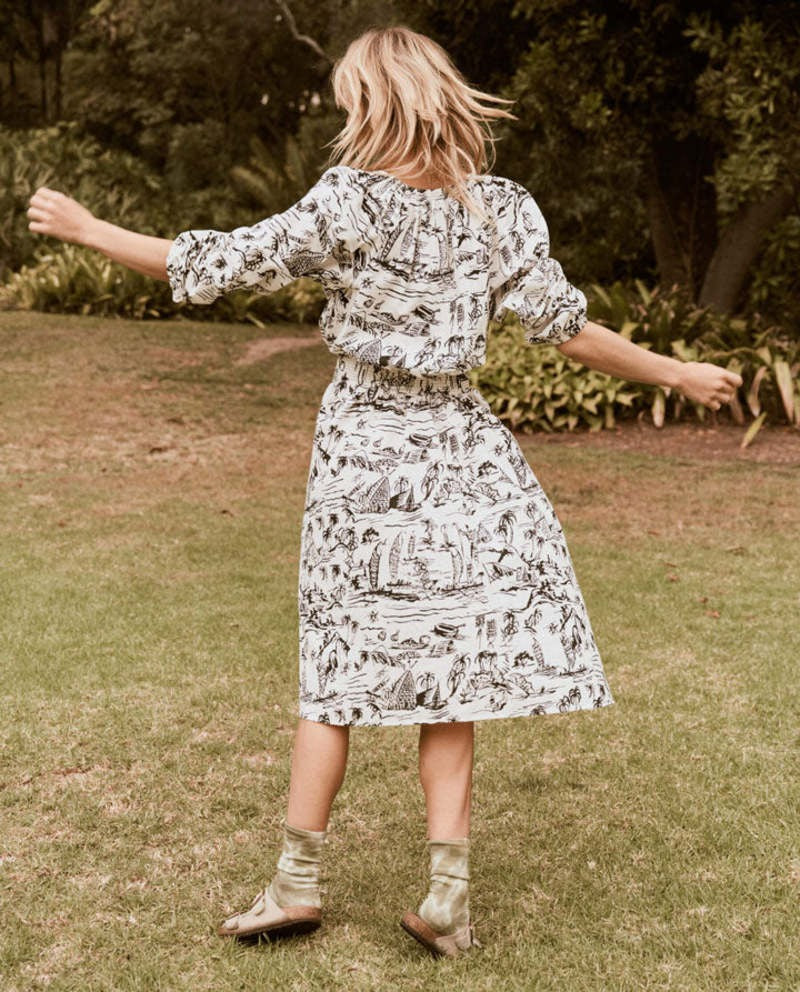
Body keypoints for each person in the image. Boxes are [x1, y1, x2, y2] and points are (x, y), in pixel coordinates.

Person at [27, 24, 741, 960]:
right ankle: (446, 900)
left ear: (371, 100)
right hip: (464, 452)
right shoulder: (500, 209)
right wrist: (676, 372)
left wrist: (90, 231)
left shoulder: (349, 202)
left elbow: (217, 263)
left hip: (365, 453)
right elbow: (567, 329)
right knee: (450, 675)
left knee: (336, 670)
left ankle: (296, 885)